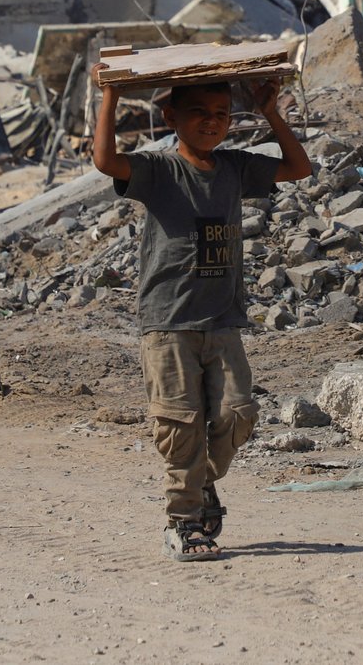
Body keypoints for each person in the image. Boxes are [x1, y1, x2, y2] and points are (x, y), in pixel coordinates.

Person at [91, 71, 312, 561]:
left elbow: (299, 168)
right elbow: (105, 160)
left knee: (237, 415)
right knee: (180, 424)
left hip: (222, 320)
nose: (212, 124)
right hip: (167, 323)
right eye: (199, 114)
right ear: (171, 118)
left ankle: (203, 482)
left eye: (222, 115)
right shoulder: (158, 171)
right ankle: (184, 522)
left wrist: (270, 111)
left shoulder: (234, 167)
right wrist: (111, 93)